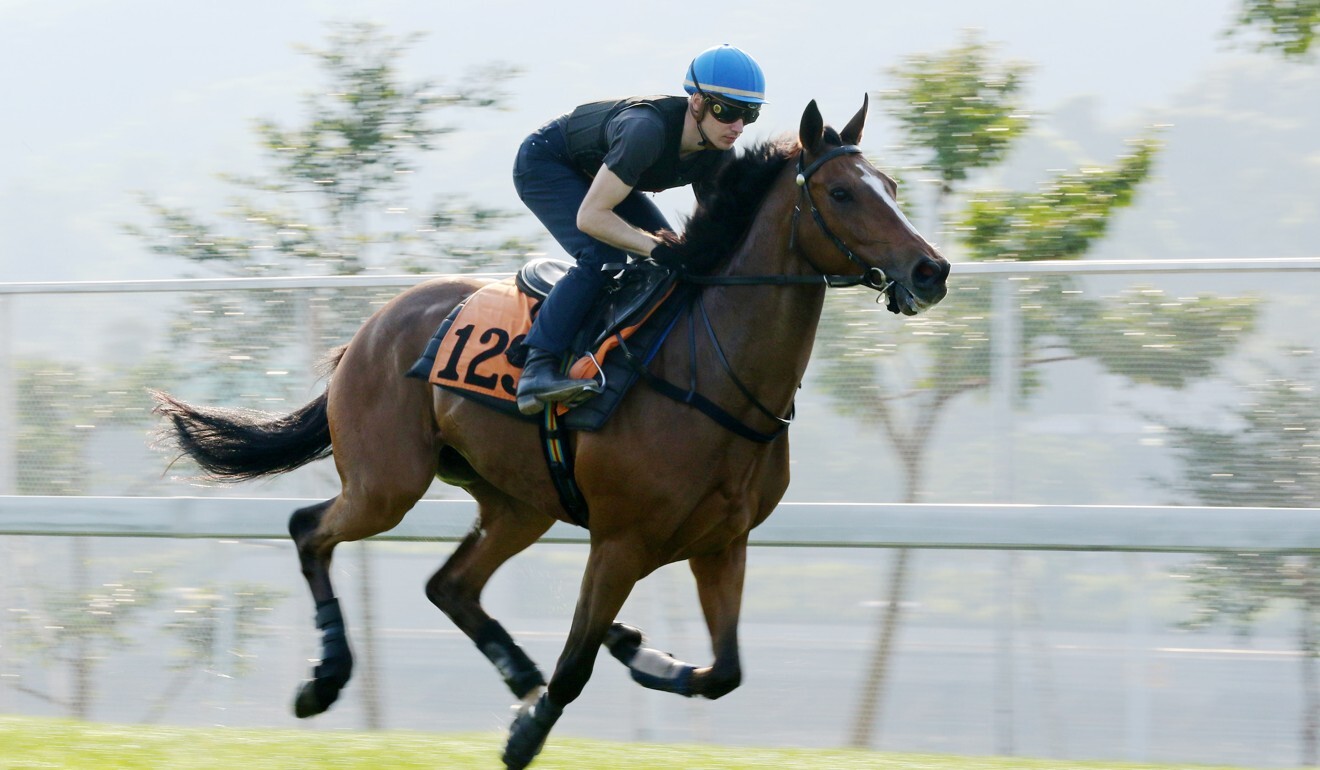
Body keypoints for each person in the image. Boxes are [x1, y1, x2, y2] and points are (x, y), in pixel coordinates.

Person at [511, 44, 767, 415]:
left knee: (675, 263)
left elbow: (718, 239)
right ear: (696, 101)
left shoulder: (716, 152)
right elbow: (591, 218)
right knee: (602, 256)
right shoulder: (645, 131)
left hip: (603, 174)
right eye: (726, 110)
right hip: (548, 161)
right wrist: (656, 247)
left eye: (750, 115)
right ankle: (538, 367)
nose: (738, 127)